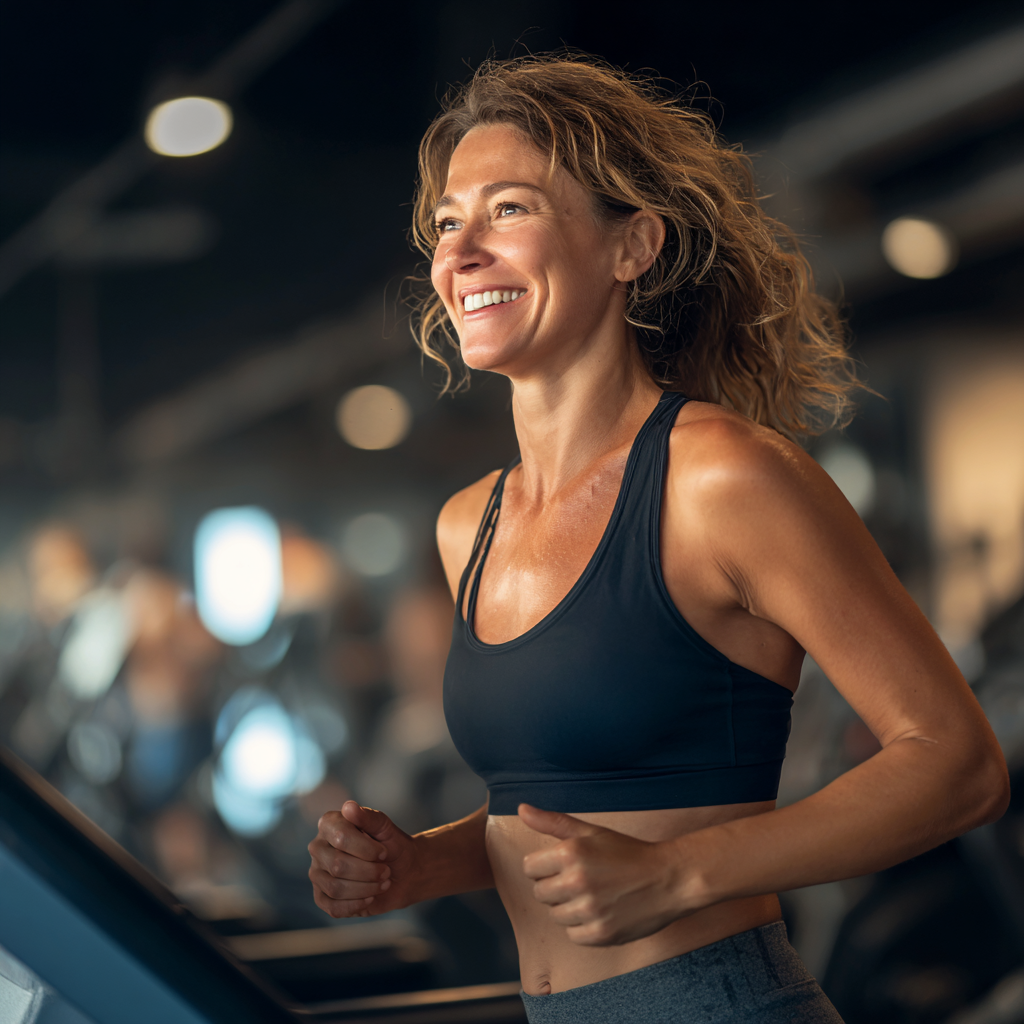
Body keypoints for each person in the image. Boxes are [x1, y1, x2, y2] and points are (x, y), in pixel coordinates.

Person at [309, 55, 1009, 1023]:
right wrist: (423, 863)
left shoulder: (720, 478)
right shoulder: (468, 523)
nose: (460, 251)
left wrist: (681, 873)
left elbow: (957, 763)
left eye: (508, 209)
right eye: (446, 223)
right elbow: (564, 810)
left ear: (631, 245)